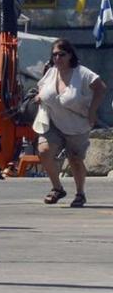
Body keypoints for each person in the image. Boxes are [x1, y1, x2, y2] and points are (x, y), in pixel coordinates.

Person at [35, 38, 106, 208]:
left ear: (70, 55)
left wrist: (92, 111)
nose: (57, 58)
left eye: (62, 54)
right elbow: (42, 88)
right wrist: (39, 97)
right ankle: (57, 188)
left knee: (75, 159)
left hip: (77, 125)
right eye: (54, 55)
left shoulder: (82, 73)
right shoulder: (51, 72)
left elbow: (101, 88)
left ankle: (80, 193)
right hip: (52, 122)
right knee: (43, 151)